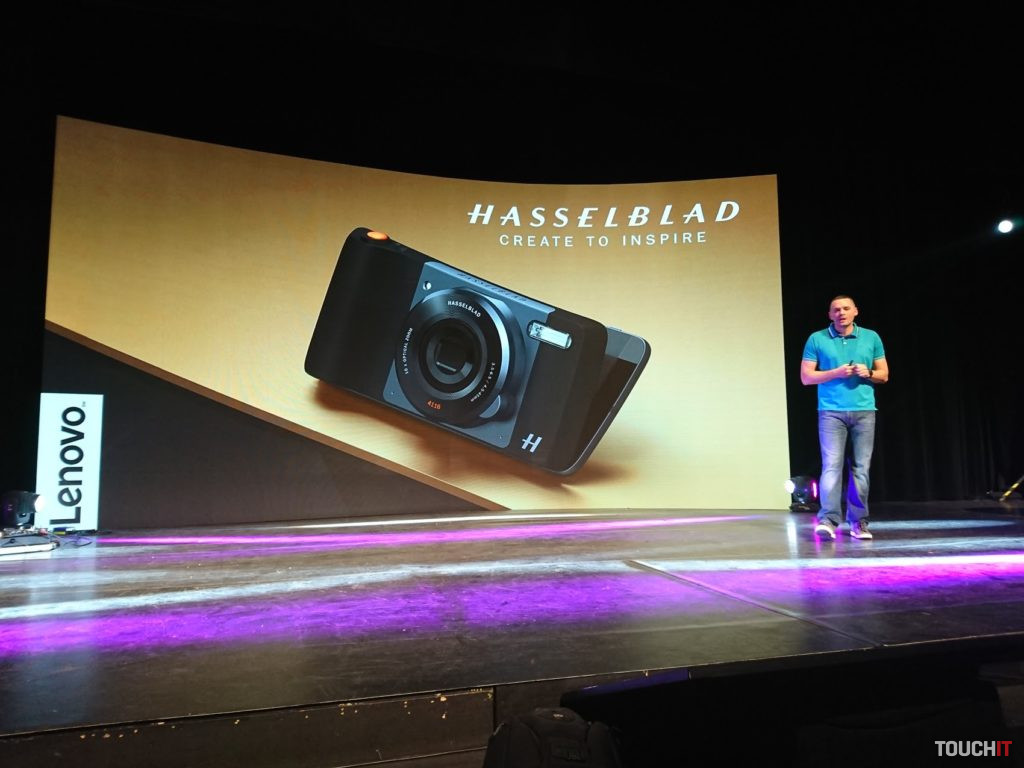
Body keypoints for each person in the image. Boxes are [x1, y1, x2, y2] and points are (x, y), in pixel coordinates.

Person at [800, 295, 888, 540]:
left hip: (864, 411)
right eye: (836, 310)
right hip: (830, 412)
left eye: (846, 308)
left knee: (861, 468)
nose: (841, 313)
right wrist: (836, 372)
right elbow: (806, 377)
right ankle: (828, 520)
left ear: (855, 311)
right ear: (830, 315)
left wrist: (868, 372)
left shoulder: (871, 337)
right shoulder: (817, 338)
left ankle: (859, 522)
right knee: (832, 466)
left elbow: (884, 374)